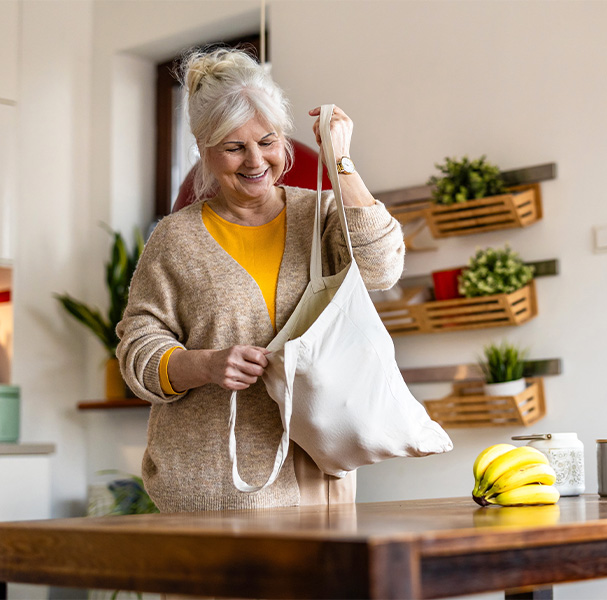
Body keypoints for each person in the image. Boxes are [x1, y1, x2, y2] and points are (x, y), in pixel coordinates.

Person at [117, 47, 405, 513]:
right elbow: (138, 353)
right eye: (234, 147)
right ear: (205, 151)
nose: (255, 161)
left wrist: (341, 161)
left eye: (267, 141)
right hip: (210, 491)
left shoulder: (321, 215)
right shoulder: (176, 238)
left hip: (317, 484)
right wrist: (205, 365)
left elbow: (381, 268)